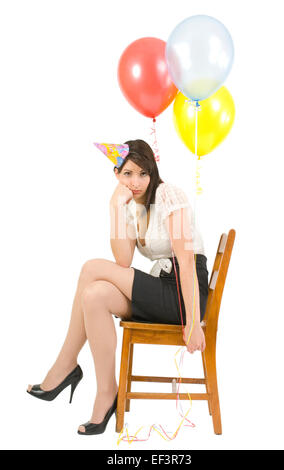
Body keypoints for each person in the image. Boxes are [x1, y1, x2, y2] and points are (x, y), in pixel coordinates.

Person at [27, 139, 209, 435]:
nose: (135, 182)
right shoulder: (131, 206)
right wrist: (114, 206)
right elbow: (123, 260)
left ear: (153, 173)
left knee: (91, 268)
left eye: (142, 173)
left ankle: (65, 365)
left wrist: (193, 322)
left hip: (181, 293)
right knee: (94, 295)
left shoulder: (168, 194)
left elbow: (186, 263)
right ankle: (106, 392)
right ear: (116, 175)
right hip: (158, 289)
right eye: (127, 174)